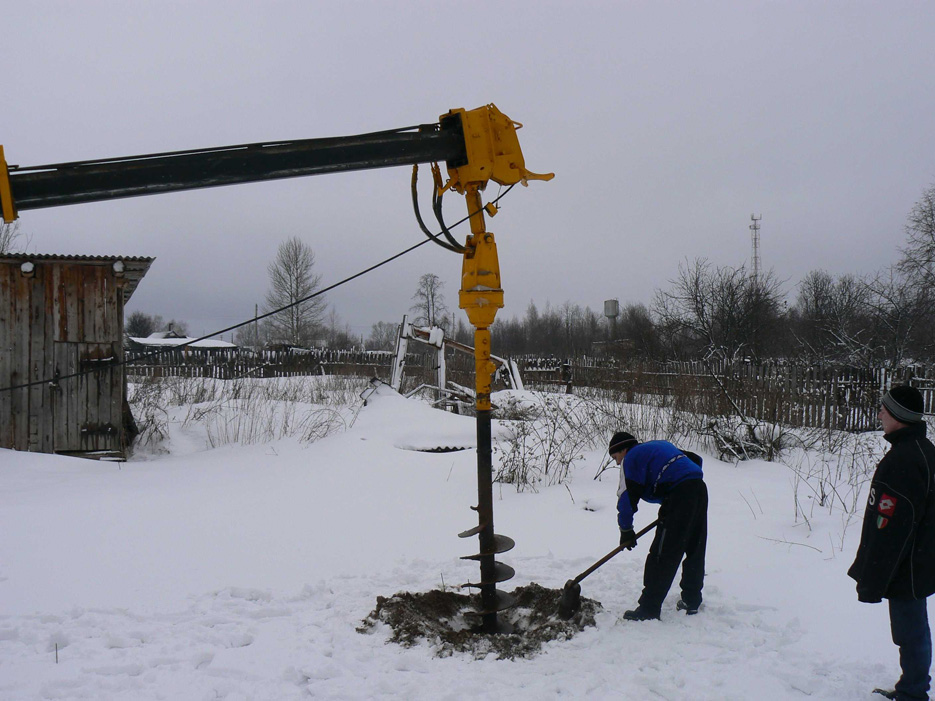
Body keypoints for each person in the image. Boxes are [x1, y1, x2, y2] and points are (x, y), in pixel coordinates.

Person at [848, 385, 935, 701]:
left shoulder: (904, 461)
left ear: (899, 415)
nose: (880, 413)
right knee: (914, 629)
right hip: (919, 560)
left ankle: (913, 692)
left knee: (910, 632)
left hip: (906, 564)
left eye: (885, 408)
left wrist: (873, 578)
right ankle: (913, 686)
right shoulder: (922, 451)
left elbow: (891, 529)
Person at [609, 430, 707, 621]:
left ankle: (649, 608)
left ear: (623, 449)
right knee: (695, 546)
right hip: (699, 489)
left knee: (662, 553)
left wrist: (626, 530)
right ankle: (691, 599)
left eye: (615, 457)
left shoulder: (632, 458)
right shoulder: (658, 446)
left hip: (679, 494)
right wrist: (685, 486)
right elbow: (695, 459)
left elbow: (626, 497)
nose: (617, 463)